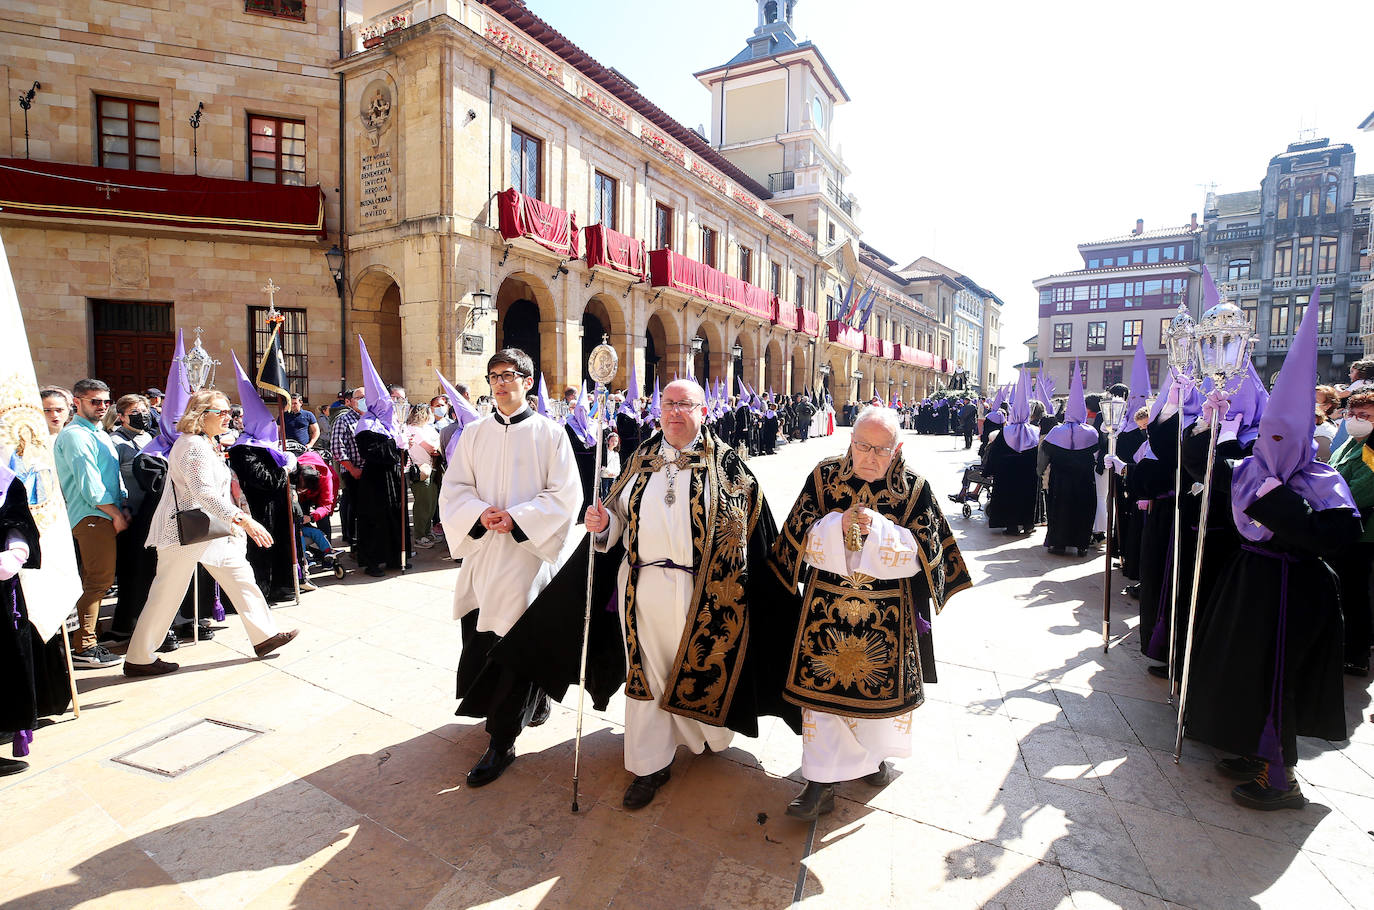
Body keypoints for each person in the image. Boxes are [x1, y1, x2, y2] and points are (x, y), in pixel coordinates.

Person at [583, 379, 801, 809]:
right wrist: (603, 524)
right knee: (645, 674)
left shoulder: (729, 467)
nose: (674, 413)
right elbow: (619, 519)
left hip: (702, 595)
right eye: (668, 404)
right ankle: (648, 764)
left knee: (695, 671)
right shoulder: (641, 457)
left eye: (685, 405)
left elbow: (751, 540)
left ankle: (700, 732)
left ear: (704, 411)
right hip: (642, 588)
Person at [1185, 299, 1357, 809]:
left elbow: (1329, 536)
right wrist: (1203, 422)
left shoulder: (1322, 481)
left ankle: (1280, 777)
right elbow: (1201, 470)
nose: (1275, 446)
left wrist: (1275, 498)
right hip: (1249, 584)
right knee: (1239, 670)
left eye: (1287, 438)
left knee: (1278, 675)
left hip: (1295, 591)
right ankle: (1247, 746)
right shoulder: (1250, 468)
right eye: (1268, 437)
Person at [771, 406, 972, 819]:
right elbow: (794, 538)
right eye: (862, 446)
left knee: (876, 700)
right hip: (826, 610)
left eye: (881, 450)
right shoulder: (824, 477)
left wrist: (880, 532)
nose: (869, 457)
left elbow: (927, 555)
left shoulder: (914, 489)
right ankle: (820, 783)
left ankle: (871, 759)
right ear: (850, 440)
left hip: (887, 617)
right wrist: (834, 528)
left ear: (897, 448)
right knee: (821, 699)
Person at [440, 348, 581, 787]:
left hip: (525, 558)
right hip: (484, 556)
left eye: (510, 375)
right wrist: (480, 513)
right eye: (494, 376)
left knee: (518, 644)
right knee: (484, 641)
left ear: (526, 379)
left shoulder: (550, 434)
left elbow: (564, 496)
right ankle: (517, 709)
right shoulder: (474, 433)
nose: (501, 383)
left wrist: (517, 518)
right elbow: (455, 489)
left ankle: (502, 740)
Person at [123, 390, 298, 676]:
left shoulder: (205, 442)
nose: (229, 416)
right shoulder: (192, 444)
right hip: (185, 530)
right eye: (221, 412)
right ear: (201, 416)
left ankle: (264, 636)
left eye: (229, 411)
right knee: (167, 593)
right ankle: (139, 658)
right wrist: (244, 521)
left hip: (206, 528)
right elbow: (202, 493)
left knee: (240, 575)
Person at [51, 379, 127, 668]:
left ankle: (85, 639)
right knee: (98, 581)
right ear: (77, 401)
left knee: (98, 580)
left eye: (106, 401)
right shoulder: (75, 436)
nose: (102, 406)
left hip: (106, 514)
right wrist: (116, 513)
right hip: (92, 515)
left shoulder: (98, 433)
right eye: (95, 401)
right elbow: (90, 486)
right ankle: (84, 645)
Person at [107, 394, 164, 644]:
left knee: (150, 570)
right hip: (131, 514)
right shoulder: (115, 442)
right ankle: (125, 625)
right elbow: (112, 479)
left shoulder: (149, 438)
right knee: (132, 572)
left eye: (143, 410)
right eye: (134, 411)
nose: (141, 415)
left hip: (153, 513)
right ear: (121, 416)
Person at [1329, 390, 1374, 675]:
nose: (1357, 420)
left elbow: (1361, 489)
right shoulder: (1347, 443)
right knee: (1342, 591)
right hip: (1340, 527)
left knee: (1355, 593)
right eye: (1353, 415)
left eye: (1366, 416)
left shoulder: (1372, 449)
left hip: (1361, 533)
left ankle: (1357, 655)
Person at [1040, 362, 1099, 556]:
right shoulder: (1092, 432)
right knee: (1083, 510)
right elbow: (1098, 450)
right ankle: (1081, 544)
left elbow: (1045, 453)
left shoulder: (1057, 431)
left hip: (1061, 481)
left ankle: (1058, 543)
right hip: (1084, 480)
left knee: (1060, 511)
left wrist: (1040, 473)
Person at [984, 371, 1040, 536]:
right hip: (1028, 473)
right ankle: (1028, 524)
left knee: (1009, 498)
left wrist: (988, 470)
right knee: (1026, 497)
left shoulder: (1006, 431)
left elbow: (994, 452)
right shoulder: (1035, 431)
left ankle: (1011, 526)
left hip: (1007, 473)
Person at [329, 387, 366, 546]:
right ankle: (354, 541)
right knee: (355, 508)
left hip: (372, 472)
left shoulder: (373, 419)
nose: (364, 401)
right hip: (354, 473)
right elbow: (337, 448)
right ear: (350, 402)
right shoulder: (343, 420)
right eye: (360, 397)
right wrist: (353, 469)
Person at [405, 405, 441, 549]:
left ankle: (427, 531)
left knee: (431, 503)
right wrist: (436, 446)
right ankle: (420, 535)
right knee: (423, 504)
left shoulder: (428, 428)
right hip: (421, 470)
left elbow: (438, 443)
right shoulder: (414, 429)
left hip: (432, 469)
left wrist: (437, 446)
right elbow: (432, 447)